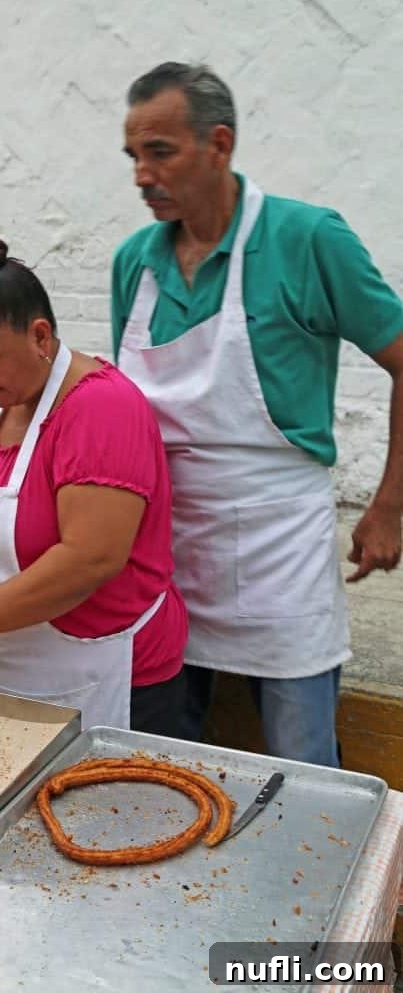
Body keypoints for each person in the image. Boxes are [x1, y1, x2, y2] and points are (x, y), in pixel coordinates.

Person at [112, 61, 403, 767]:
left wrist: (389, 505)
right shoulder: (135, 263)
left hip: (280, 550)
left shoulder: (306, 239)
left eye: (160, 152)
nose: (141, 175)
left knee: (302, 760)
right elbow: (117, 414)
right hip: (165, 551)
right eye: (132, 157)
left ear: (218, 144)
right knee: (166, 754)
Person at [0, 235, 188, 733]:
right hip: (11, 673)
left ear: (40, 337)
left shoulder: (102, 408)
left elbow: (91, 557)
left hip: (104, 677)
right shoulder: (3, 401)